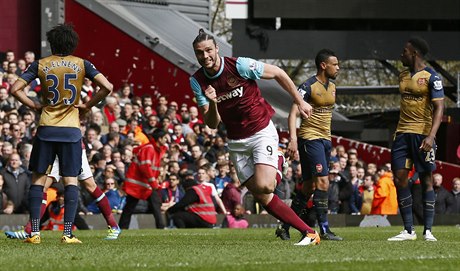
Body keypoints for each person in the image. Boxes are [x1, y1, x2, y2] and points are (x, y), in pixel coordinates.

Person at [190, 29, 319, 246]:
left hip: (261, 131)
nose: (205, 56)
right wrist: (212, 102)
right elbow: (212, 124)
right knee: (262, 195)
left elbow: (278, 73)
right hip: (236, 142)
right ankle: (309, 233)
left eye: (208, 50)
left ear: (217, 49)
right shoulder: (197, 81)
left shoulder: (239, 65)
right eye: (199, 53)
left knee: (266, 185)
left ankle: (279, 156)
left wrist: (300, 101)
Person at [10, 23, 112, 244]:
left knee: (38, 179)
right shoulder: (82, 64)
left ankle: (34, 233)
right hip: (71, 130)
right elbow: (107, 87)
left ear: (52, 43)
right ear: (73, 43)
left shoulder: (41, 64)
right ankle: (67, 234)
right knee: (70, 181)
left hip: (46, 127)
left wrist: (34, 106)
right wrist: (86, 105)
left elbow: (14, 89)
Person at [276, 49, 342, 241]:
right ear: (323, 65)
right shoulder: (307, 86)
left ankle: (284, 226)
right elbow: (293, 113)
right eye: (335, 64)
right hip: (310, 138)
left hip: (325, 140)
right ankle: (324, 229)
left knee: (308, 187)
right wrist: (293, 140)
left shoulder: (332, 86)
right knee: (323, 182)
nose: (338, 68)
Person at [388, 37, 444, 242]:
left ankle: (428, 230)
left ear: (415, 53)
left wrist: (431, 135)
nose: (401, 54)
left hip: (423, 135)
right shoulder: (402, 75)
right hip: (402, 134)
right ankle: (408, 230)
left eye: (405, 51)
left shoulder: (432, 77)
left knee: (426, 180)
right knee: (399, 179)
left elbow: (439, 107)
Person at [5, 144, 122, 240]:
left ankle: (113, 226)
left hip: (72, 146)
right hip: (55, 148)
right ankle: (29, 230)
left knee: (90, 186)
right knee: (42, 187)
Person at [119, 129, 168, 229]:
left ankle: (161, 226)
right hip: (140, 184)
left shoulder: (156, 150)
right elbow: (145, 167)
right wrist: (153, 182)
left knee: (154, 204)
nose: (166, 140)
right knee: (131, 207)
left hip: (144, 184)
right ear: (159, 139)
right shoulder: (150, 149)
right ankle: (121, 227)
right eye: (165, 138)